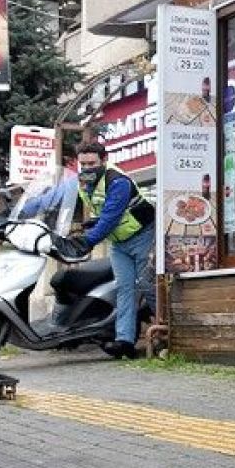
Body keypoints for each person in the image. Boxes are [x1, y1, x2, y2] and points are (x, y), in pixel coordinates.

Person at [70, 141, 157, 359]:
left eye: (92, 163)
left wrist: (88, 241)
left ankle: (172, 332)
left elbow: (111, 217)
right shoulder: (85, 182)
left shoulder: (117, 181)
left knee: (148, 285)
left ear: (104, 160)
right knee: (124, 289)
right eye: (83, 164)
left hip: (144, 235)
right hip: (119, 242)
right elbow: (103, 212)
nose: (87, 168)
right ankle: (125, 341)